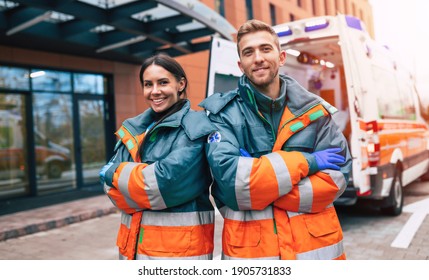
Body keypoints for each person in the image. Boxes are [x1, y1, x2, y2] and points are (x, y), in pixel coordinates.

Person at [200, 19, 352, 260]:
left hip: (314, 252)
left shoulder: (314, 111)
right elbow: (231, 186)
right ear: (241, 64)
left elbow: (337, 178)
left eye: (265, 49)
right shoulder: (222, 115)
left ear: (281, 57)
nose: (258, 58)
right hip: (254, 256)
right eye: (249, 52)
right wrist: (308, 162)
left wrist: (260, 182)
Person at [99, 53, 216, 260]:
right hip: (132, 249)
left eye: (163, 83)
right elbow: (110, 190)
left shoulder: (195, 128)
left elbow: (161, 184)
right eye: (148, 84)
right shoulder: (134, 128)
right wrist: (138, 185)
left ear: (181, 84)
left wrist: (114, 173)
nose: (155, 91)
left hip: (179, 254)